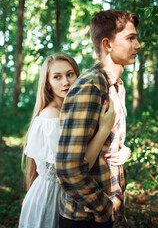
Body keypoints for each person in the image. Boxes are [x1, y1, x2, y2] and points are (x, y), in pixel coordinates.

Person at [55, 9, 141, 228]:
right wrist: (105, 209)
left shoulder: (115, 85)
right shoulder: (91, 86)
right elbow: (67, 168)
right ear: (108, 45)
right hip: (85, 216)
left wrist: (120, 149)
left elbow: (100, 143)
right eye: (130, 38)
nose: (138, 45)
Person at [19, 52, 118, 228]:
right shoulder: (52, 116)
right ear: (48, 85)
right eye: (57, 77)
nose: (65, 82)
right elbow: (78, 167)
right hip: (52, 199)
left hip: (70, 196)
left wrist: (121, 149)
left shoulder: (69, 112)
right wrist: (103, 130)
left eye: (70, 74)